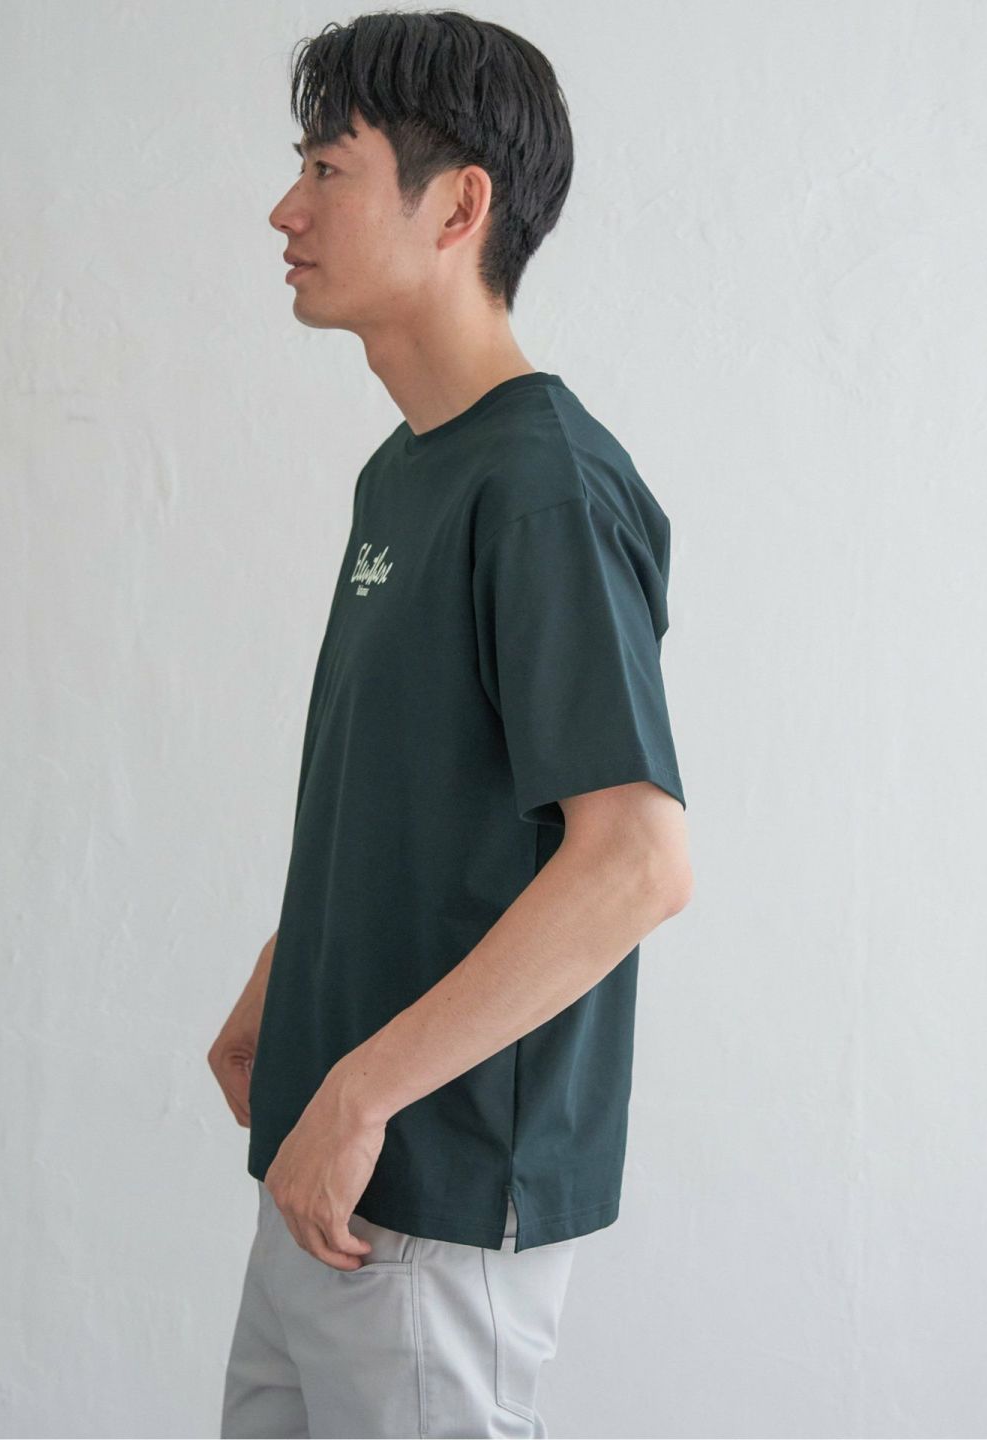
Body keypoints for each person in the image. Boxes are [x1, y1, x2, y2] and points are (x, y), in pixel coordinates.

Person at [209, 10, 693, 1436]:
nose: (286, 210)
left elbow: (636, 860)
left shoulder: (542, 485)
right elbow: (422, 799)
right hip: (329, 1179)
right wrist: (288, 979)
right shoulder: (406, 472)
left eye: (327, 170)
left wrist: (363, 1095)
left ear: (458, 204)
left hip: (431, 1202)